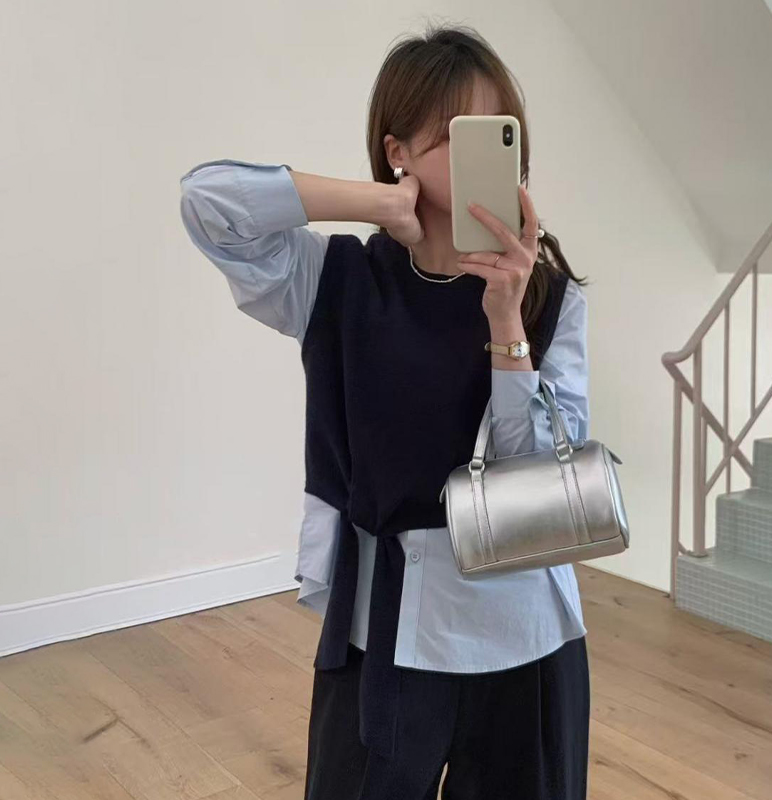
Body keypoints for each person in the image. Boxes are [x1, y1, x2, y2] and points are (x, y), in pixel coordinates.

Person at [180, 22, 592, 800]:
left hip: (526, 637)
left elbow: (542, 478)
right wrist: (377, 202)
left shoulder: (548, 297)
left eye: (499, 132)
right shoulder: (334, 279)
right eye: (457, 136)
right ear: (397, 149)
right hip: (386, 631)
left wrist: (507, 324)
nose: (486, 154)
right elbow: (208, 202)